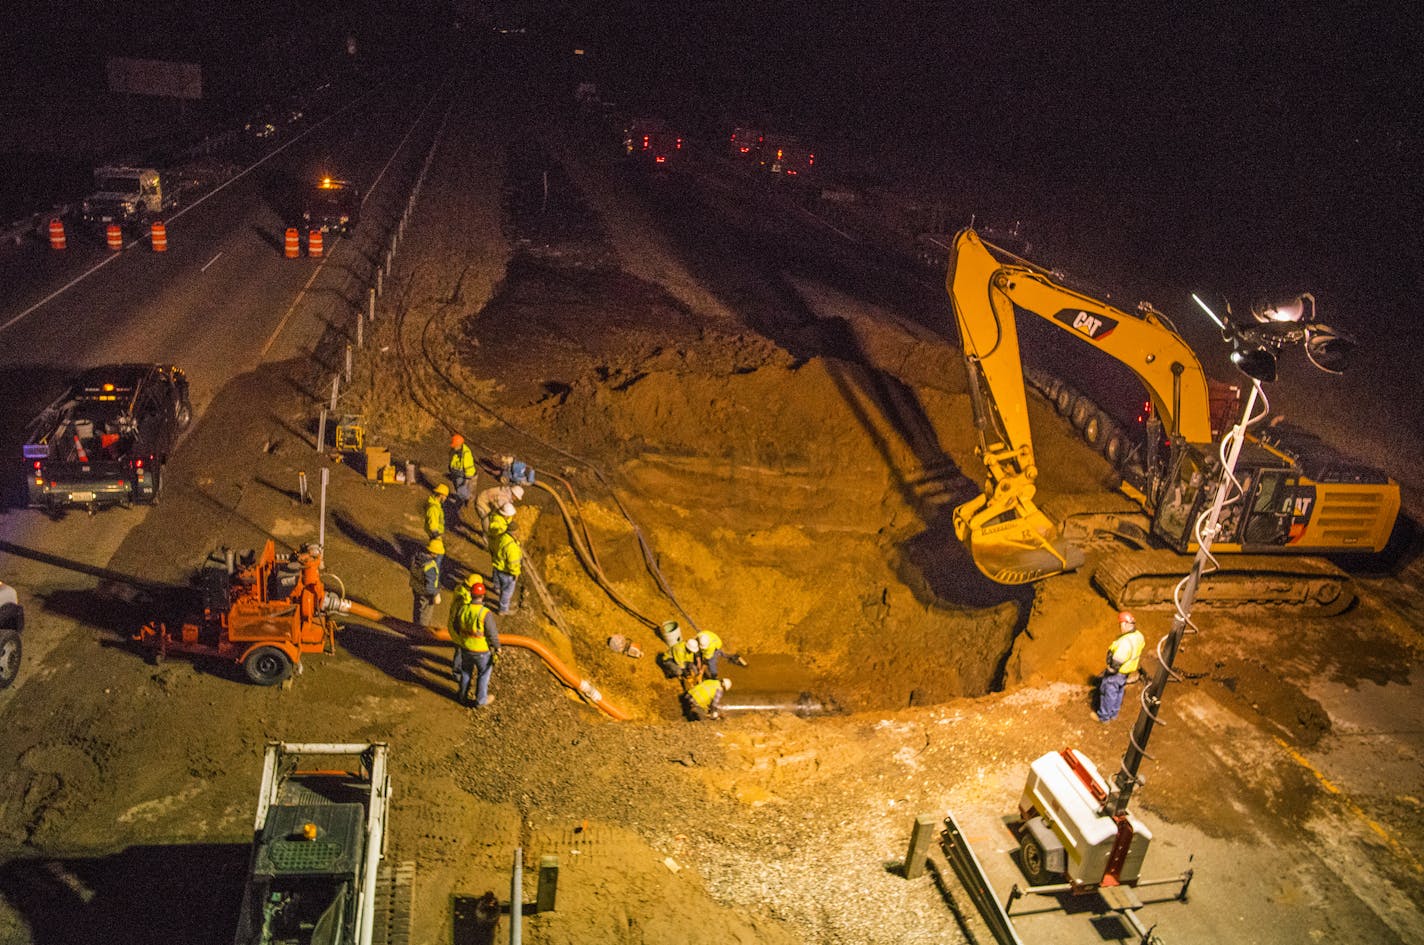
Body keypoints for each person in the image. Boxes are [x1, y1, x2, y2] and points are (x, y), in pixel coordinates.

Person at [449, 574, 501, 707]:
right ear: (483, 596)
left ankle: (462, 695)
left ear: (471, 594)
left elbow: (456, 625)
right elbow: (492, 633)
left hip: (466, 648)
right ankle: (480, 700)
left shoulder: (464, 609)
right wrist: (497, 647)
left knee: (466, 673)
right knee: (483, 674)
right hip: (482, 651)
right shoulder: (485, 613)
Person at [1096, 611, 1146, 722]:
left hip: (1118, 672)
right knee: (1119, 690)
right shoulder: (1138, 636)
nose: (1120, 627)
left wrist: (1110, 669)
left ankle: (1104, 717)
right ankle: (1114, 713)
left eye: (1120, 624)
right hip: (1127, 671)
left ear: (1124, 624)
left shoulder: (1125, 642)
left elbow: (1117, 661)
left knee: (1108, 691)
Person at [489, 527, 523, 615]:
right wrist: (516, 573)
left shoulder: (500, 537)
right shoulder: (512, 547)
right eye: (518, 532)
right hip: (507, 573)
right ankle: (503, 609)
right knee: (507, 592)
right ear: (514, 532)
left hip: (498, 567)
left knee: (500, 587)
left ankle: (500, 594)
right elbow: (513, 563)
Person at [409, 541, 441, 628]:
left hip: (416, 588)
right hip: (426, 594)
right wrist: (436, 593)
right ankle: (421, 634)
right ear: (433, 553)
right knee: (425, 617)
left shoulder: (416, 557)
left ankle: (415, 627)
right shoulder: (430, 567)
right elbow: (430, 588)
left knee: (417, 610)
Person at [448, 434, 476, 504]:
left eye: (455, 446)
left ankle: (467, 498)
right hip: (455, 472)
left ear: (459, 445)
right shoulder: (454, 450)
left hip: (461, 474)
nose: (453, 447)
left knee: (461, 489)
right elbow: (452, 460)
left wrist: (466, 480)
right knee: (457, 487)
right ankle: (462, 498)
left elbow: (469, 468)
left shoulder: (466, 454)